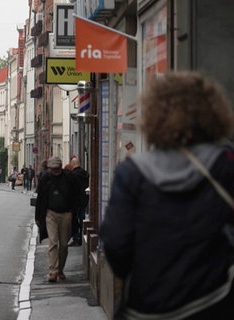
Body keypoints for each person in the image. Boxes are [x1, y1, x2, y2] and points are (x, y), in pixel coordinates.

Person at [100, 71, 234, 319]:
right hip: (215, 302)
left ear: (153, 115)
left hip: (147, 307)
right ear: (212, 111)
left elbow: (116, 245)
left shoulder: (132, 172)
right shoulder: (226, 164)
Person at [34, 156, 82, 282]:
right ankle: (53, 271)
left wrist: (73, 210)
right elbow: (40, 198)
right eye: (53, 169)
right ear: (50, 168)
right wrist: (38, 216)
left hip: (66, 214)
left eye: (57, 168)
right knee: (53, 242)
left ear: (60, 167)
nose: (55, 171)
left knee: (64, 245)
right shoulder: (45, 179)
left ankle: (60, 269)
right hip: (50, 213)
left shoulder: (70, 178)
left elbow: (78, 194)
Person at [68, 157, 89, 247]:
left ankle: (76, 238)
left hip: (75, 202)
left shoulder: (72, 175)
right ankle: (82, 237)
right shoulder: (85, 174)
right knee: (82, 220)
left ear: (73, 164)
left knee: (74, 221)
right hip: (84, 201)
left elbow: (71, 190)